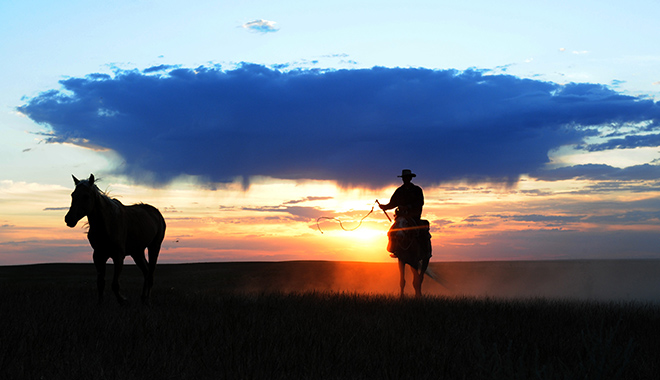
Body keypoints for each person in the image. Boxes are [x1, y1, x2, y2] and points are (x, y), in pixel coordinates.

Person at [379, 169, 430, 258]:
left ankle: (426, 252)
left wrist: (408, 207)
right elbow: (392, 203)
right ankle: (394, 250)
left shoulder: (417, 190)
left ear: (410, 178)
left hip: (414, 216)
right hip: (401, 216)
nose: (405, 179)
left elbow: (420, 202)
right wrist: (385, 207)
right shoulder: (399, 191)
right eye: (404, 178)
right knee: (392, 231)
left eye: (407, 177)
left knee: (422, 232)